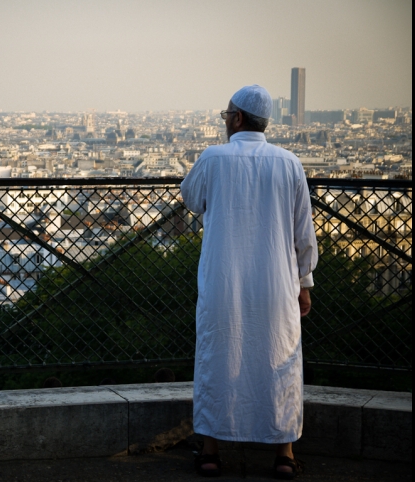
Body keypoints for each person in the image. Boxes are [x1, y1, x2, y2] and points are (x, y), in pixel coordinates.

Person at [180, 85, 318, 479]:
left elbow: (191, 198)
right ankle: (284, 454)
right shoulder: (289, 162)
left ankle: (210, 451)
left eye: (226, 115)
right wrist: (304, 282)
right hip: (277, 283)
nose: (225, 122)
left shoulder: (213, 158)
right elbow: (302, 232)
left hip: (224, 281)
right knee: (280, 362)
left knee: (217, 359)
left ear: (237, 118)